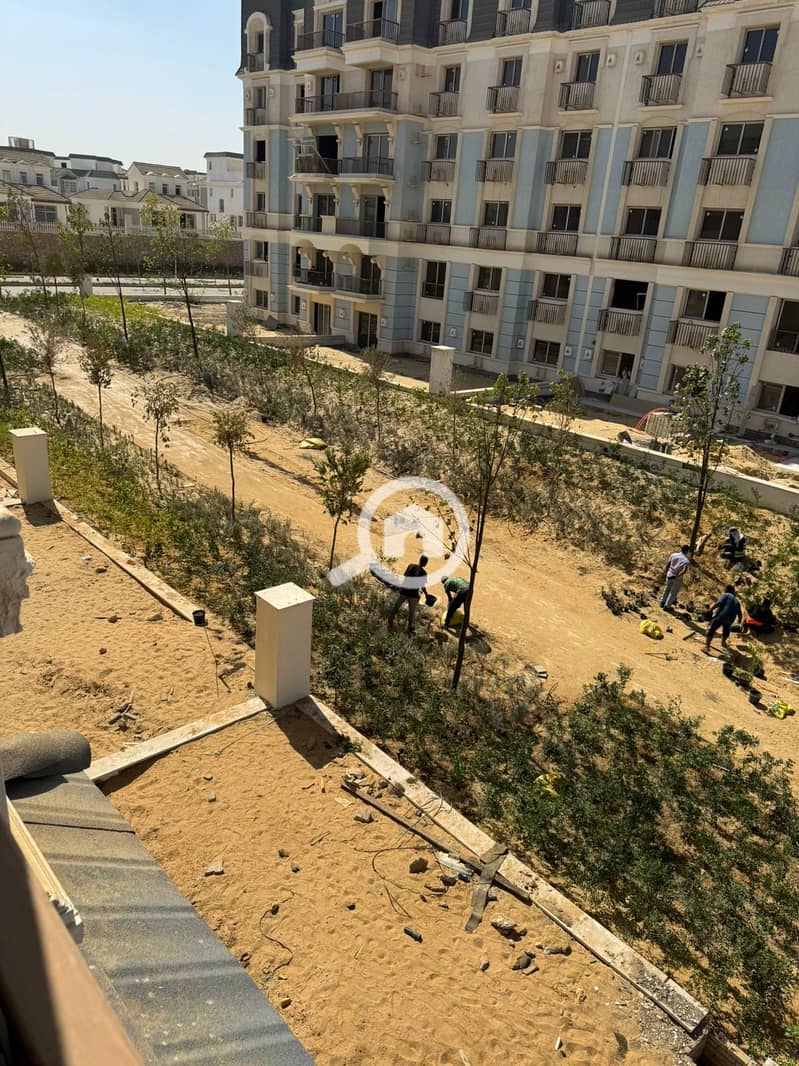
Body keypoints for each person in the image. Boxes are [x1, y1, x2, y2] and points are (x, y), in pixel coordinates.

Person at [388, 555, 428, 635]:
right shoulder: (423, 573)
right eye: (426, 562)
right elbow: (422, 585)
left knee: (397, 606)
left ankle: (390, 620)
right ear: (425, 563)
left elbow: (405, 576)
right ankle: (409, 627)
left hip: (405, 590)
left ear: (420, 560)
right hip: (413, 593)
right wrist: (426, 594)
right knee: (411, 612)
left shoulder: (411, 566)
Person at [705, 584, 742, 652]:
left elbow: (718, 603)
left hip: (721, 616)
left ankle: (707, 647)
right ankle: (723, 642)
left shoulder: (726, 595)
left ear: (727, 590)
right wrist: (739, 622)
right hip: (730, 619)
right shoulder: (737, 601)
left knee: (712, 629)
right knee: (726, 630)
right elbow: (740, 614)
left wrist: (711, 609)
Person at [660, 544, 691, 610]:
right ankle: (667, 606)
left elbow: (668, 564)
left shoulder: (673, 555)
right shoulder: (686, 560)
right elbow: (684, 570)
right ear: (687, 551)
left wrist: (665, 572)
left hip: (669, 574)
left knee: (667, 588)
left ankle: (662, 602)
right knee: (673, 592)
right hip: (677, 578)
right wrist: (677, 576)